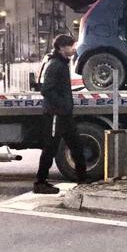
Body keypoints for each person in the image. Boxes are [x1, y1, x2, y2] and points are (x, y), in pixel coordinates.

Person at [34, 34, 88, 194]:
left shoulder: (62, 63)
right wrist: (63, 105)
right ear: (61, 48)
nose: (73, 48)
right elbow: (46, 90)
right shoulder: (55, 64)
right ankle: (40, 182)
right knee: (50, 148)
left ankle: (83, 179)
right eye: (71, 46)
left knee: (76, 146)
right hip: (55, 115)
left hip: (64, 115)